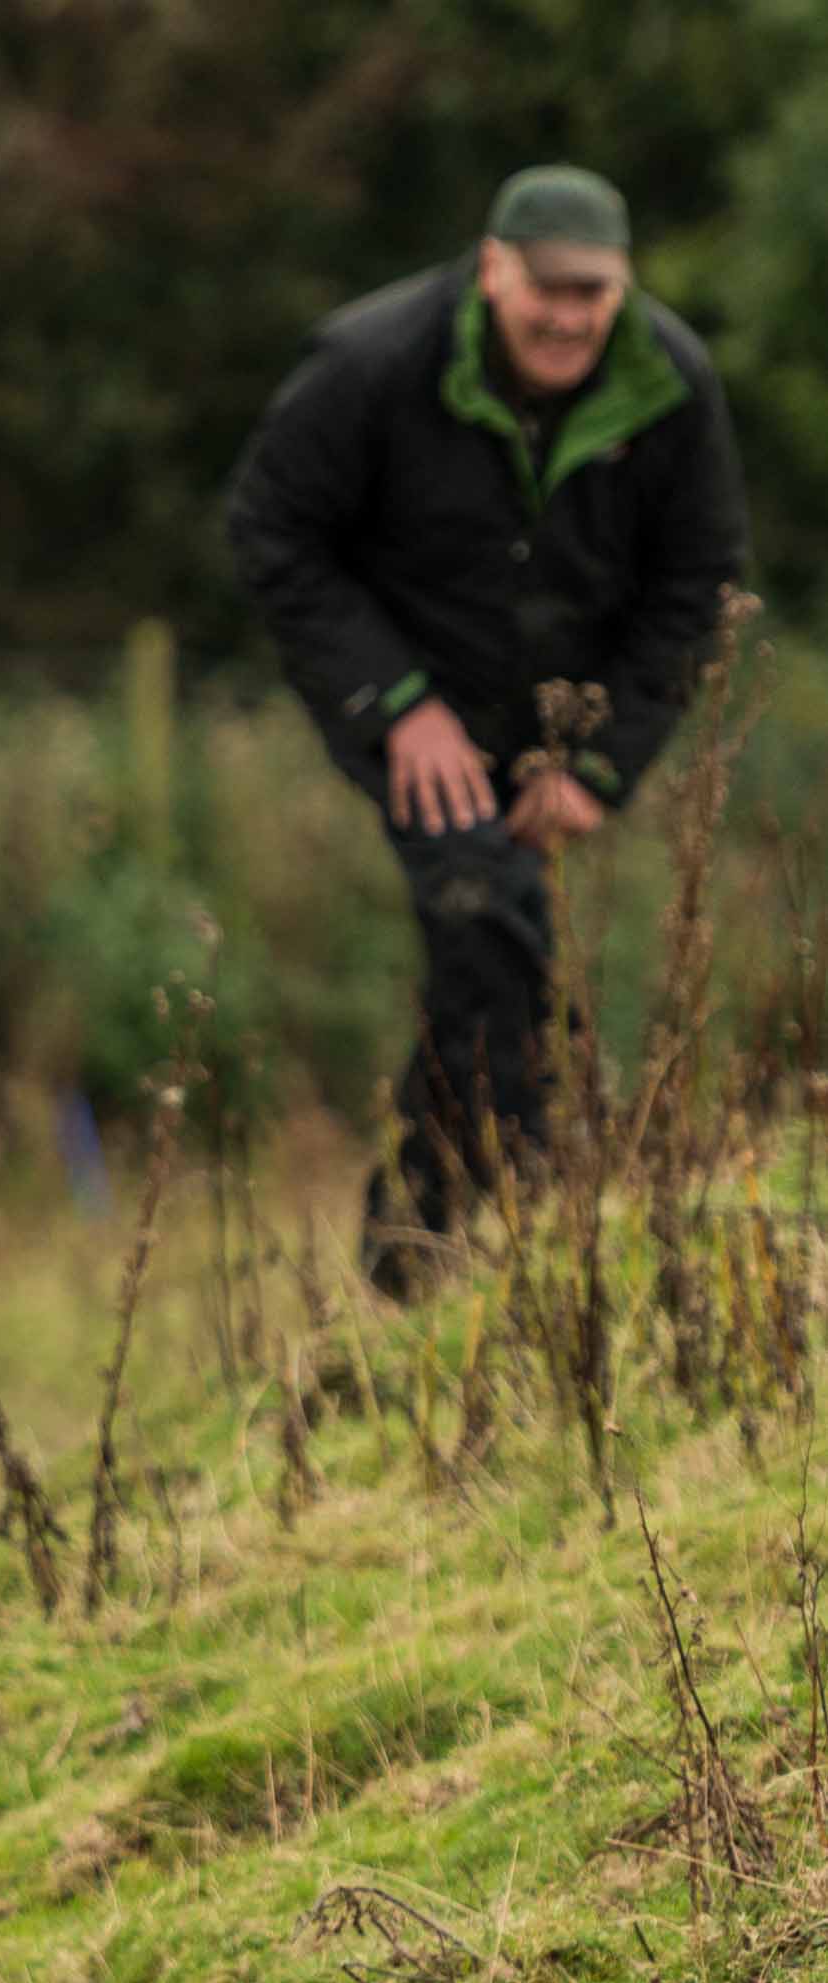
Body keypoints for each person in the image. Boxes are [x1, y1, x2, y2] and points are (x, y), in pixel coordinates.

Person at [226, 162, 746, 1297]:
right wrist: (395, 707)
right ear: (490, 268)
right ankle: (504, 1197)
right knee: (481, 906)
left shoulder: (668, 384)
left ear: (621, 288)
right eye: (545, 289)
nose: (566, 317)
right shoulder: (368, 365)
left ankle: (430, 1227)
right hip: (412, 698)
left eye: (591, 294)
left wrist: (599, 765)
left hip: (570, 714)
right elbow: (270, 531)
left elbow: (698, 583)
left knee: (501, 938)